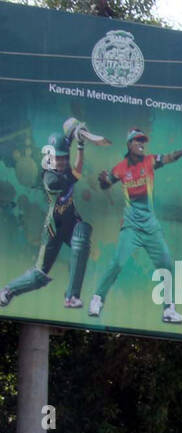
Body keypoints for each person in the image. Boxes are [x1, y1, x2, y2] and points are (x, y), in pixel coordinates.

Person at [0, 119, 109, 311]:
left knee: (82, 237)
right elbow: (77, 172)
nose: (61, 162)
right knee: (39, 276)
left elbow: (68, 130)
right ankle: (8, 290)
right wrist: (81, 145)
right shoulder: (50, 178)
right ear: (49, 158)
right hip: (53, 226)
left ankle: (71, 297)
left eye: (64, 158)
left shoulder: (60, 153)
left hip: (69, 218)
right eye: (58, 159)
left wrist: (76, 131)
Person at [89, 129, 182, 323]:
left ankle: (169, 310)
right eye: (138, 141)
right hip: (132, 227)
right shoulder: (121, 167)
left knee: (167, 265)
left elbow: (168, 158)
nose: (142, 144)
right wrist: (103, 180)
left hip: (151, 227)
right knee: (117, 263)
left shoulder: (149, 161)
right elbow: (105, 184)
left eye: (144, 141)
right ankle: (97, 299)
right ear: (129, 145)